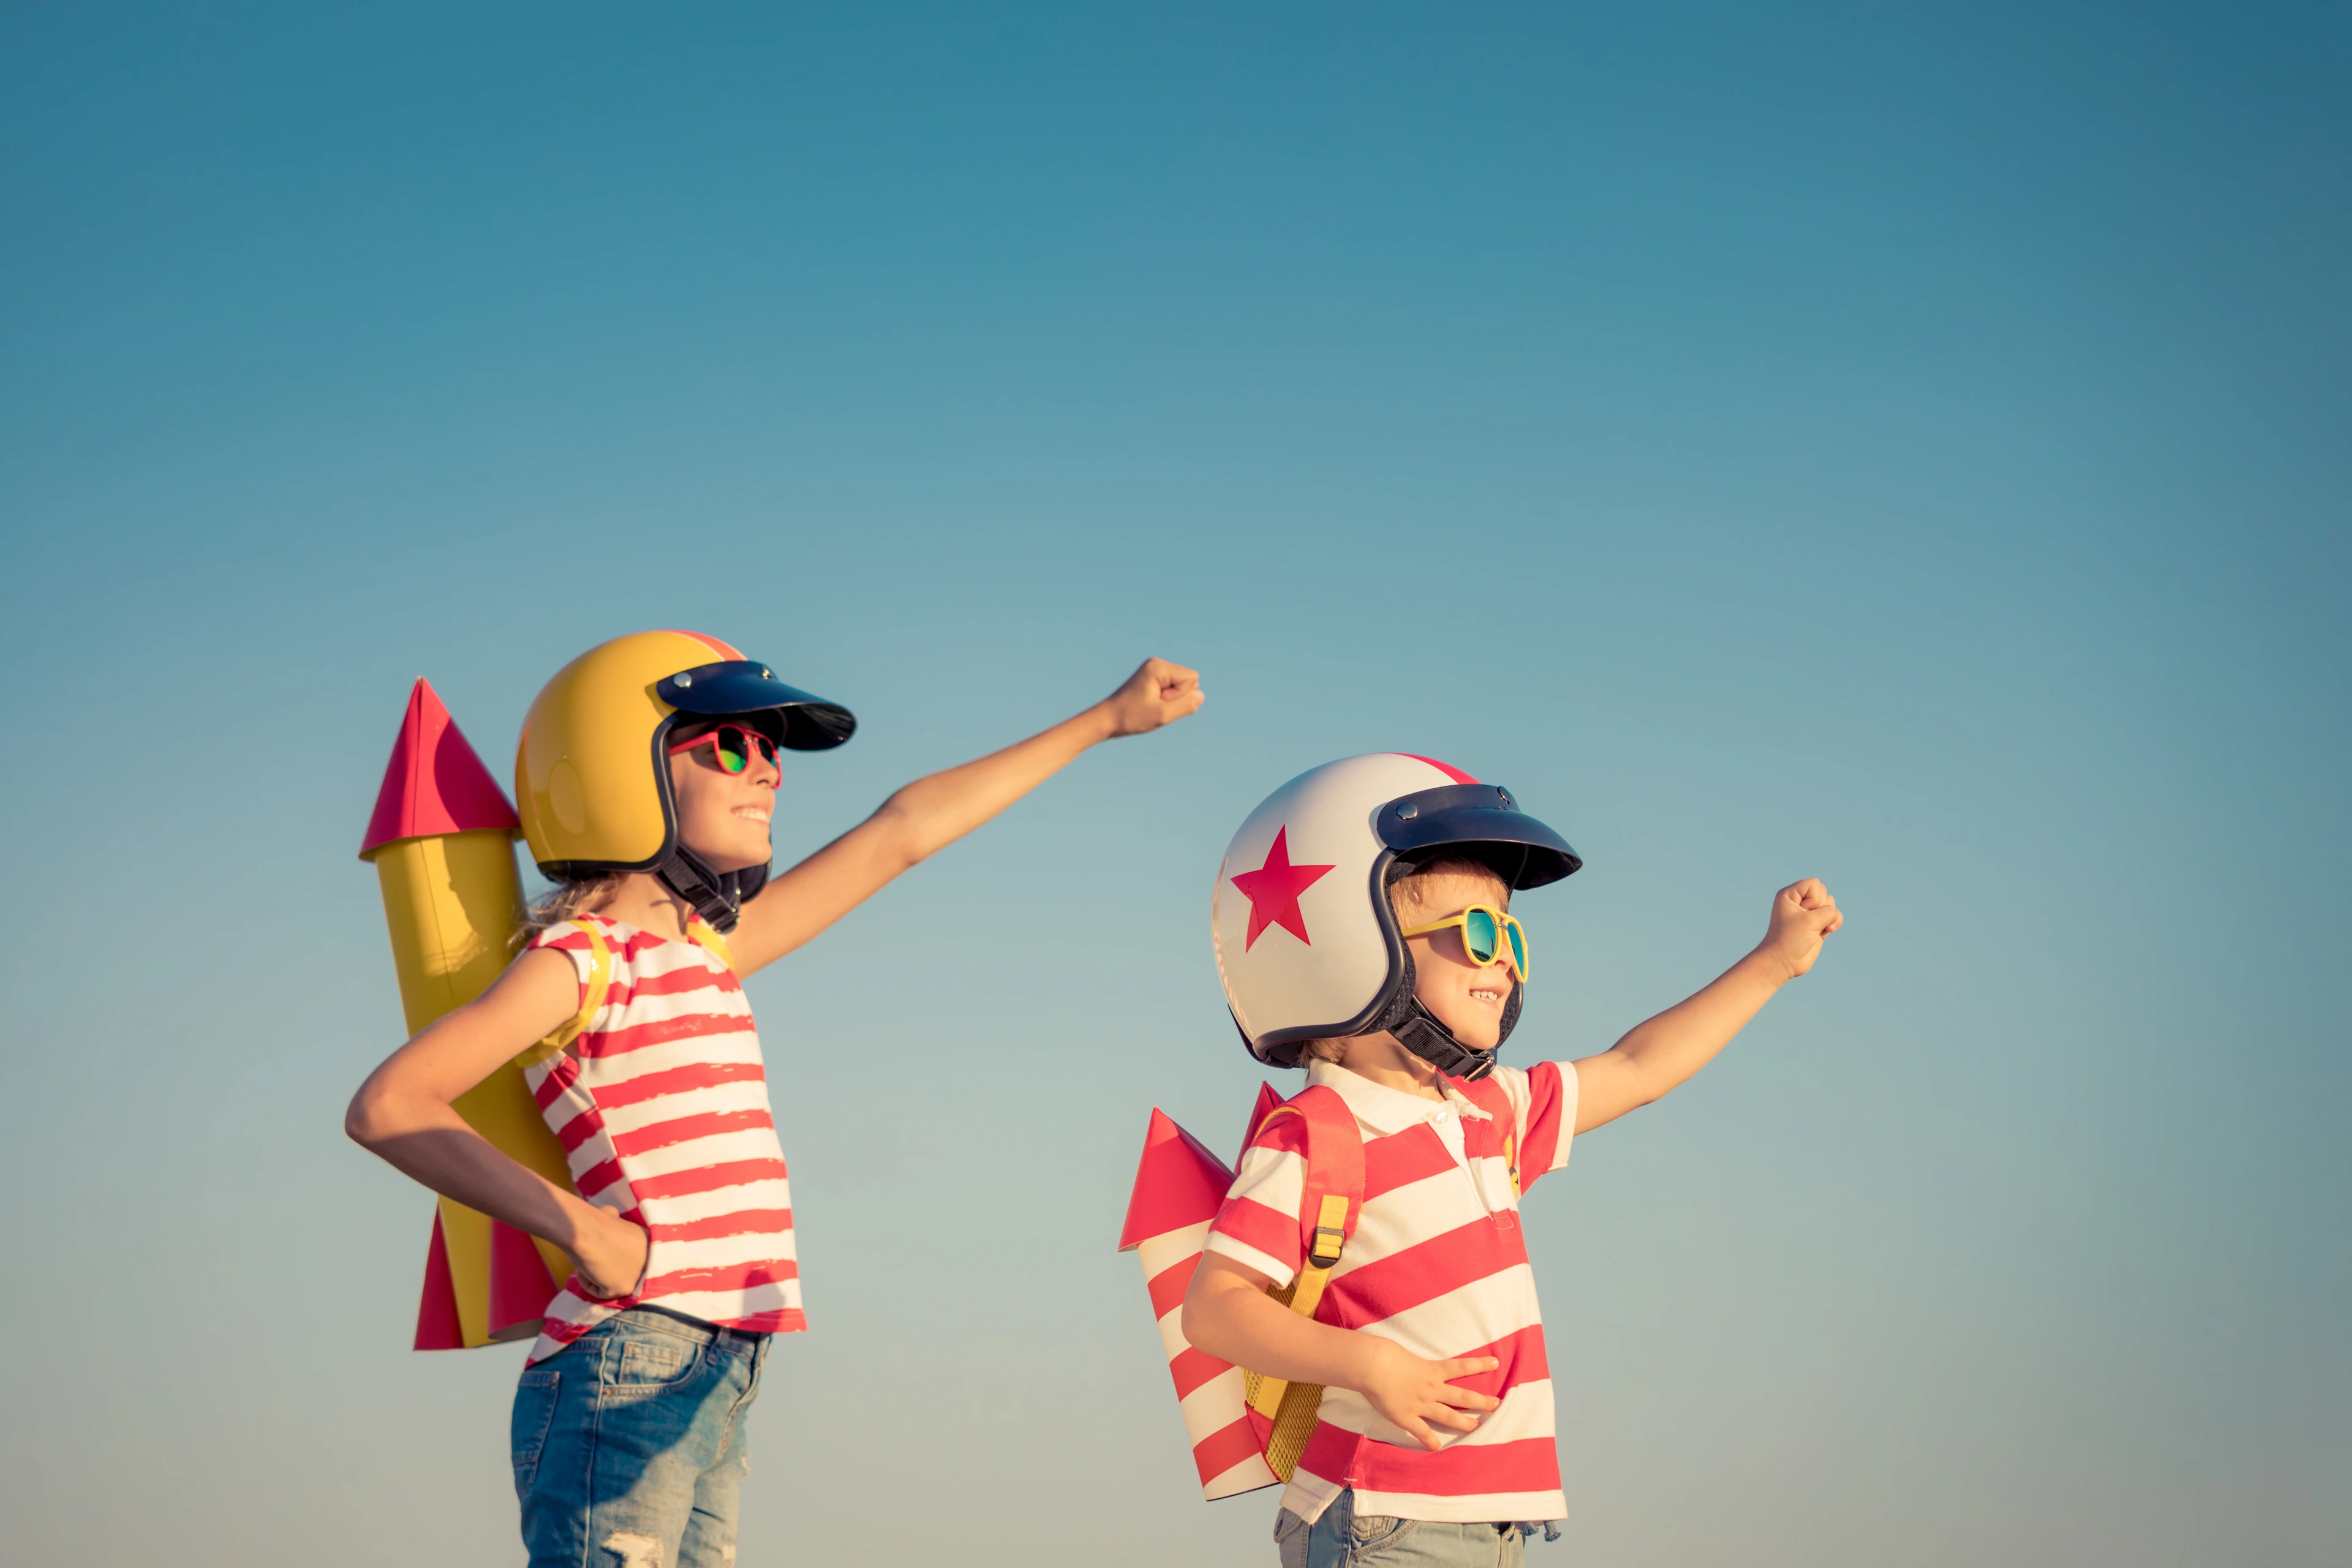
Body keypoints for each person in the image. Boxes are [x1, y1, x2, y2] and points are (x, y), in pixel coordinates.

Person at [346, 629, 1202, 1568]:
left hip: (725, 1362)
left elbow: (902, 832)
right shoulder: (584, 962)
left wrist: (1104, 721)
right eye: (729, 743)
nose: (769, 771)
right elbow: (391, 1104)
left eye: (771, 750)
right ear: (613, 767)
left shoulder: (707, 958)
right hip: (631, 1355)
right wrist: (589, 1234)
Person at [1183, 754, 1841, 1567]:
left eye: (1512, 936)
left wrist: (1772, 962)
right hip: (1386, 1520)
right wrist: (1369, 1364)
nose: (1505, 959)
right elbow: (1214, 1308)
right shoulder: (1319, 1132)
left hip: (1489, 1527)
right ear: (1353, 944)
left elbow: (1637, 1069)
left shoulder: (1486, 1113)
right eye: (1479, 931)